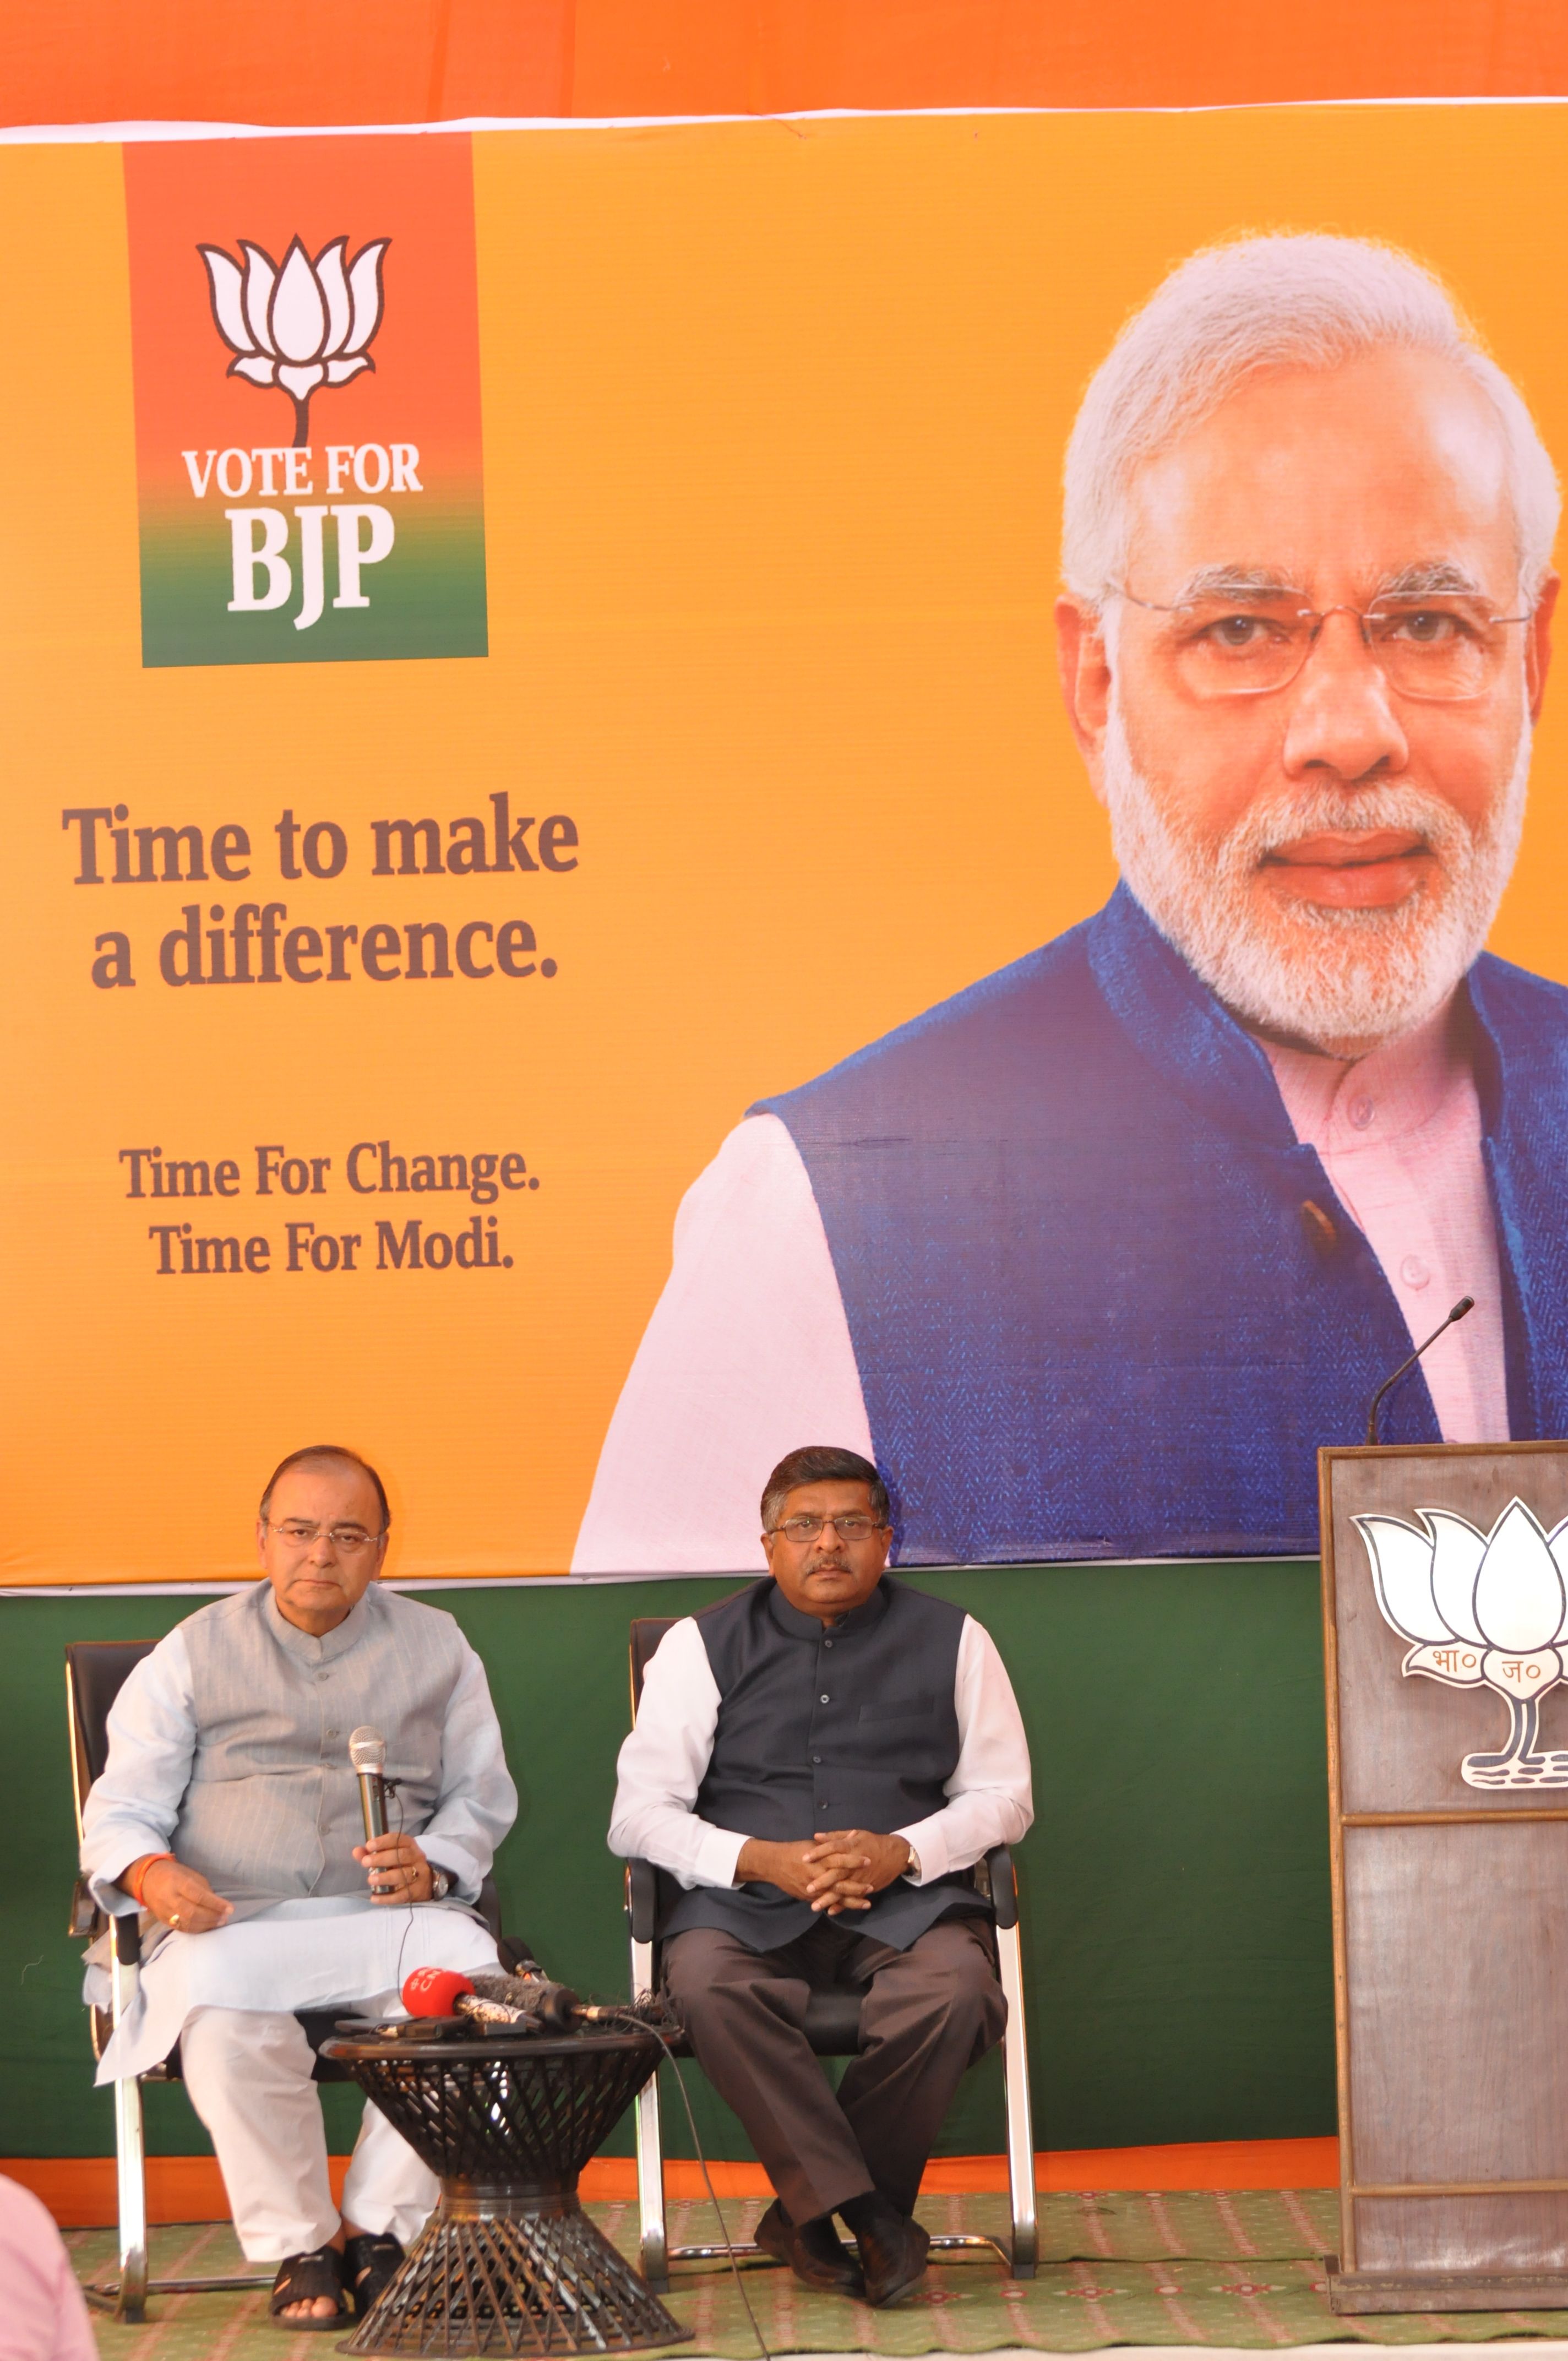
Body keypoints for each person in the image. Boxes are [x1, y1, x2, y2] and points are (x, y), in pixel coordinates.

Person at [575, 232, 1568, 1576]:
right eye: (1242, 632)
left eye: (1428, 624)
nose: (1349, 728)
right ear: (1095, 683)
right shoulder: (819, 1212)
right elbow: (668, 1761)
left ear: (1533, 659)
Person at [79, 1445, 516, 2331]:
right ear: (264, 1539)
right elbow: (120, 1808)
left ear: (383, 1549)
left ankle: (375, 2230)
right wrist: (153, 1874)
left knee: (470, 1985)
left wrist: (435, 1863)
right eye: (300, 1531)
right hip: (235, 1919)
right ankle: (300, 2245)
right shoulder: (192, 1651)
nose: (321, 1554)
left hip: (388, 1917)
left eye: (347, 1536)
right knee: (223, 2017)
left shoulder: (440, 1645)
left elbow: (483, 1797)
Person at [608, 1445, 1033, 2304]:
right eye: (804, 1526)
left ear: (887, 1539)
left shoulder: (957, 1638)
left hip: (907, 1903)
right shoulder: (700, 1645)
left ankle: (810, 2214)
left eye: (850, 1525)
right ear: (769, 1545)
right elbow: (638, 1815)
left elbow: (1005, 1797)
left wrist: (905, 1850)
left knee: (954, 1992)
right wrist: (759, 1861)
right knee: (707, 1988)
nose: (827, 1544)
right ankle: (872, 2218)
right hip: (744, 1909)